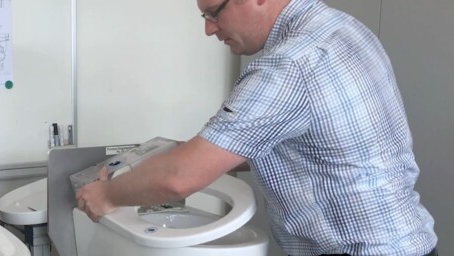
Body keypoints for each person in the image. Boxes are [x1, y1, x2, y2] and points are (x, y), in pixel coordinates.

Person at [74, 0, 438, 255]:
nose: (208, 29)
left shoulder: (288, 66)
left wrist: (106, 195)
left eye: (214, 12)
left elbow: (178, 179)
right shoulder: (343, 29)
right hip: (408, 240)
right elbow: (314, 143)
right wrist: (199, 153)